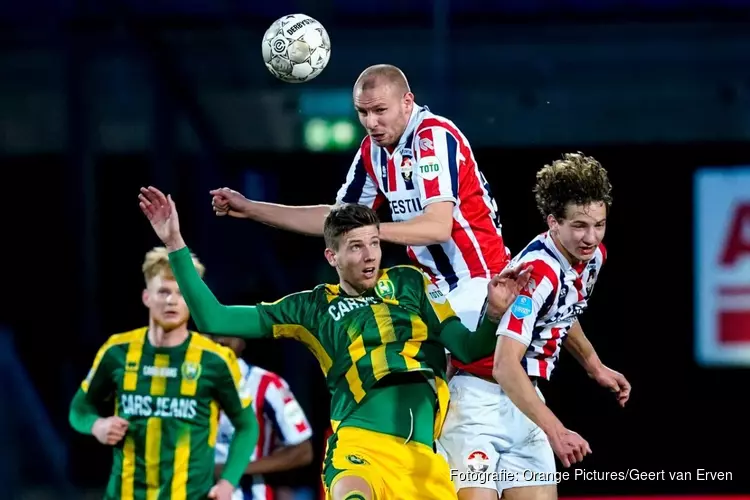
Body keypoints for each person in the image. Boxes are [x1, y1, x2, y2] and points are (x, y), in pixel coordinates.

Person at [138, 185, 532, 500]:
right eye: (356, 247)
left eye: (374, 243)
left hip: (422, 462)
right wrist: (174, 243)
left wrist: (495, 313)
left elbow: (467, 348)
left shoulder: (413, 283)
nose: (369, 256)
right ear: (332, 255)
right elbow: (214, 318)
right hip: (360, 447)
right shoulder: (311, 309)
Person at [210, 63, 511, 376]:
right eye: (363, 113)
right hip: (435, 289)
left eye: (380, 110)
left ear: (407, 102)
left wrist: (367, 231)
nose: (372, 123)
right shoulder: (373, 151)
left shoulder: (431, 137)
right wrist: (251, 209)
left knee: (467, 394)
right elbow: (337, 220)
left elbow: (438, 226)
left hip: (479, 277)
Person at [437, 153, 632, 500]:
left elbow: (562, 311)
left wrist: (594, 365)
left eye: (598, 225)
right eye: (579, 226)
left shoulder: (592, 258)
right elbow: (504, 364)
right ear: (553, 222)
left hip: (525, 402)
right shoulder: (536, 273)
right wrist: (556, 432)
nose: (591, 237)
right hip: (477, 407)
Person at [68, 247, 258, 500]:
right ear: (147, 297)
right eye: (164, 292)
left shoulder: (216, 360)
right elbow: (79, 409)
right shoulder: (117, 351)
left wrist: (227, 483)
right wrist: (97, 425)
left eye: (181, 293)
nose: (172, 301)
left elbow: (247, 426)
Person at [211, 335, 314, 500]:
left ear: (243, 341)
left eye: (229, 331)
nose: (220, 339)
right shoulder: (179, 381)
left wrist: (231, 470)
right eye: (212, 332)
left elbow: (302, 452)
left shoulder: (267, 384)